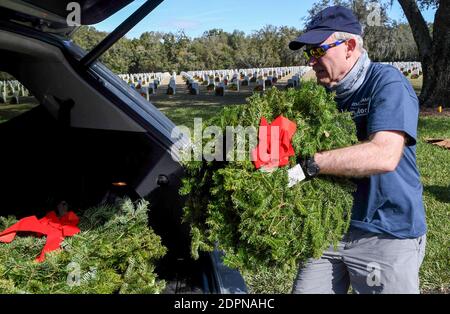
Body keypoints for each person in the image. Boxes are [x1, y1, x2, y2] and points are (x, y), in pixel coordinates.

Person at [288, 5, 427, 294]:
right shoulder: (321, 97)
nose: (311, 62)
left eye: (317, 51)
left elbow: (384, 155)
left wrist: (309, 166)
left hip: (385, 232)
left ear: (349, 46)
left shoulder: (387, 83)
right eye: (307, 54)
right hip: (330, 229)